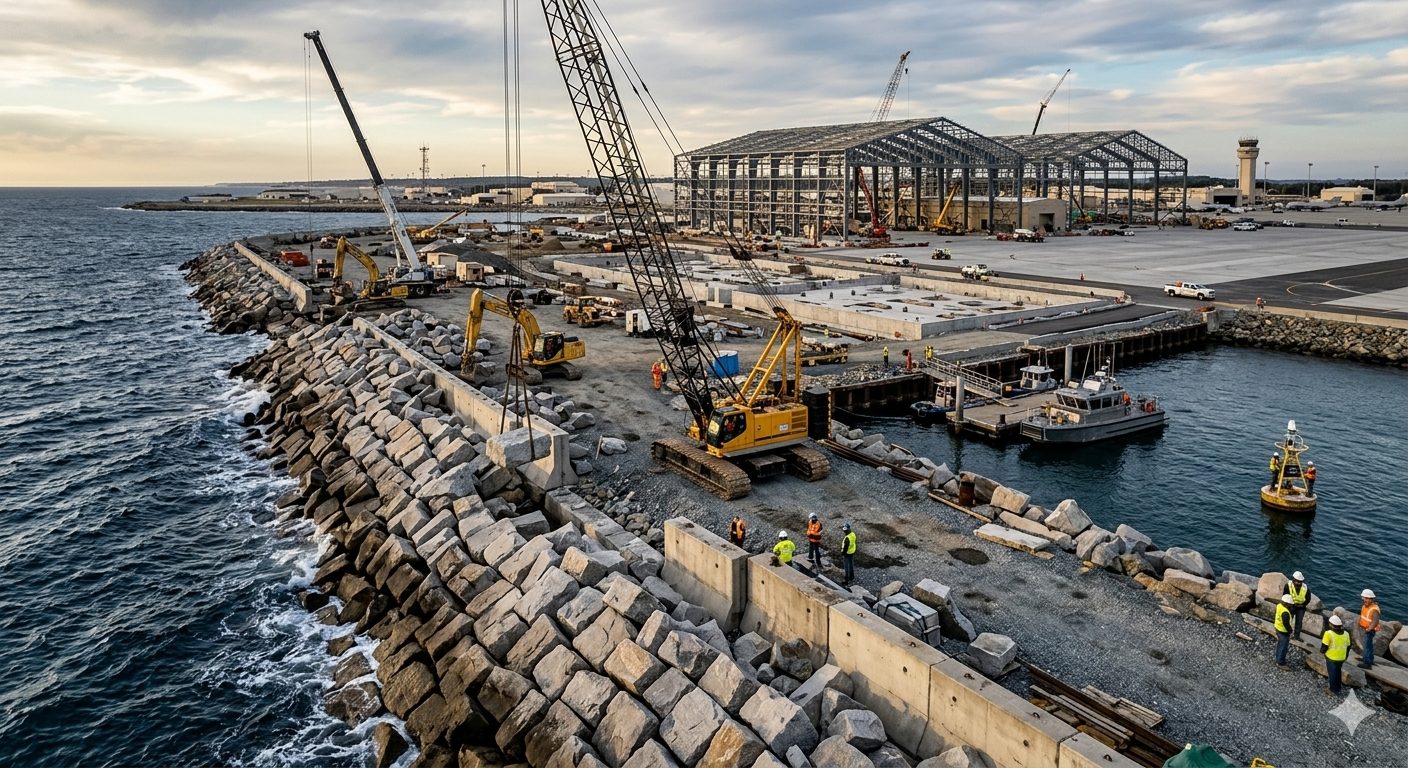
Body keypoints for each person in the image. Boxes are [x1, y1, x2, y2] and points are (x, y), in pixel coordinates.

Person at [1322, 615, 1352, 695]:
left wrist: (1323, 652)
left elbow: (1324, 647)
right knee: (1338, 672)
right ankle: (1338, 687)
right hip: (1341, 657)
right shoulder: (1346, 634)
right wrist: (1346, 655)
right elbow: (1349, 646)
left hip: (1331, 657)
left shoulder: (1328, 633)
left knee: (1332, 674)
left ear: (1331, 624)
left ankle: (1333, 690)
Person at [1359, 589, 1381, 669]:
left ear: (1370, 599)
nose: (1364, 600)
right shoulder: (1366, 606)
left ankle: (1367, 663)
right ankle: (1369, 659)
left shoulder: (1374, 609)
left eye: (1365, 598)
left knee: (1367, 646)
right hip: (1365, 628)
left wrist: (1370, 628)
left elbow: (1375, 621)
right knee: (1368, 645)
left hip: (1369, 630)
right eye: (1363, 598)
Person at [1284, 571, 1311, 637]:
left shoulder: (1305, 588)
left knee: (1298, 622)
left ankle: (1296, 636)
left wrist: (1302, 605)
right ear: (1294, 580)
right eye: (1297, 581)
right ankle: (1286, 633)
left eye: (1299, 581)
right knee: (1288, 620)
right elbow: (1285, 595)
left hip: (1301, 607)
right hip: (1290, 606)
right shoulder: (1288, 585)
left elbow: (1308, 599)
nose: (1298, 583)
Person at [1274, 594, 1295, 670]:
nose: (1291, 605)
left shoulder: (1279, 606)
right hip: (1283, 631)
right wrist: (1290, 631)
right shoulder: (1285, 613)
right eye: (1290, 604)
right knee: (1283, 646)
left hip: (1277, 627)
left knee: (1280, 644)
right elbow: (1286, 624)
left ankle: (1278, 658)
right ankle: (1280, 662)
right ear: (1286, 603)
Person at [840, 522, 857, 586]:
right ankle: (852, 577)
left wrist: (843, 553)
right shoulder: (853, 534)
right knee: (851, 564)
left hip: (847, 553)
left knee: (846, 566)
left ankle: (846, 579)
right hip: (852, 551)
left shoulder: (847, 538)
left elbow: (845, 547)